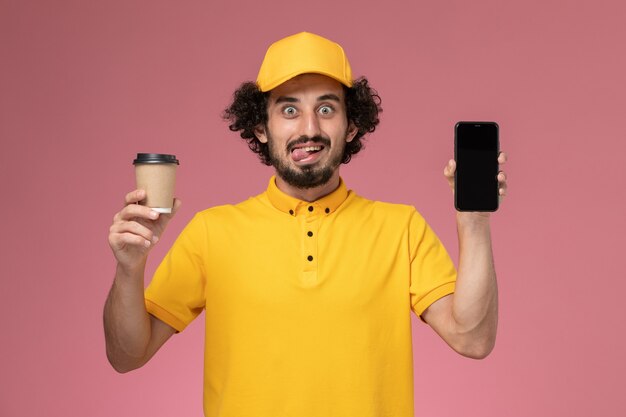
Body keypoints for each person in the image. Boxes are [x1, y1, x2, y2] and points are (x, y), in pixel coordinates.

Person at [104, 32, 508, 417]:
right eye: (289, 110)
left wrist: (474, 222)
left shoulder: (401, 228)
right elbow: (126, 355)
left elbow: (472, 339)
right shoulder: (212, 232)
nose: (309, 129)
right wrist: (129, 268)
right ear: (261, 127)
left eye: (327, 109)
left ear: (351, 126)